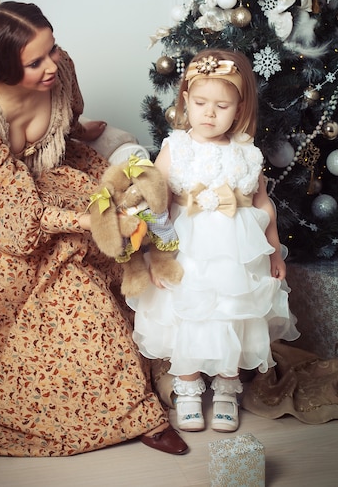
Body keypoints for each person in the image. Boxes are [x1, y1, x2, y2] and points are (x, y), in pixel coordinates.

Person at [0, 0, 188, 458]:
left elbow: (68, 111)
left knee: (145, 239)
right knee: (67, 274)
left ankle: (179, 368)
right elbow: (14, 220)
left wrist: (75, 129)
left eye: (51, 49)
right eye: (35, 62)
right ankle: (132, 410)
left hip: (56, 176)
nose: (52, 64)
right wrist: (92, 221)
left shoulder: (61, 68)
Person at [128, 48, 300, 434]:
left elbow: (262, 204)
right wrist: (158, 257)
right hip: (186, 249)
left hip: (235, 254)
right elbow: (158, 202)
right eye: (201, 103)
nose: (209, 113)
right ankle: (188, 388)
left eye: (221, 105)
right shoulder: (177, 148)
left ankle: (226, 387)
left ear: (239, 109)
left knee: (230, 314)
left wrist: (273, 249)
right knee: (186, 314)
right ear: (185, 100)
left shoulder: (247, 153)